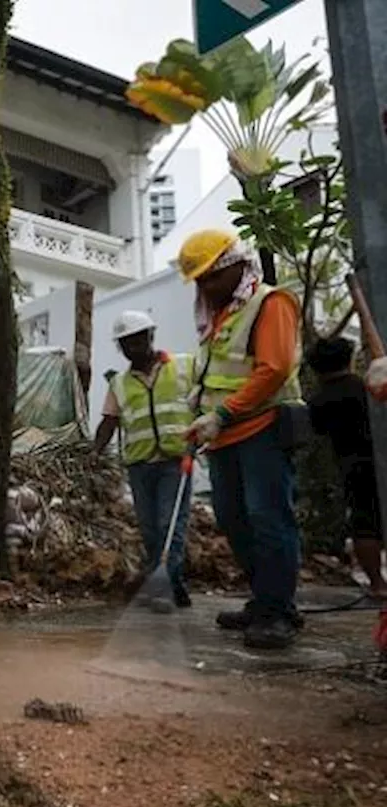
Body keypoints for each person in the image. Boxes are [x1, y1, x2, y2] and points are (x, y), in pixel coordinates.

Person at [179, 229, 304, 649]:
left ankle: (279, 612)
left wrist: (224, 413)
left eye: (209, 278)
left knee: (268, 518)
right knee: (233, 519)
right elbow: (212, 378)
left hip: (263, 429)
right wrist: (199, 418)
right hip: (223, 437)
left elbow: (274, 369)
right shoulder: (219, 319)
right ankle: (264, 599)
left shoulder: (270, 303)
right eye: (198, 281)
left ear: (233, 267)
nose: (204, 288)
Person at [93, 310, 194, 613]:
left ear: (150, 336)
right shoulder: (119, 384)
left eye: (136, 340)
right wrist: (94, 453)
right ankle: (172, 584)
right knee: (150, 529)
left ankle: (162, 589)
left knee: (169, 524)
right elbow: (109, 422)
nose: (131, 347)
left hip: (175, 460)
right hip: (140, 465)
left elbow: (204, 400)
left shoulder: (183, 367)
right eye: (125, 343)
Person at [307, 336, 387, 600]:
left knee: (365, 525)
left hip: (352, 466)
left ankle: (377, 585)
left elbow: (316, 432)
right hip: (380, 458)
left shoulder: (319, 400)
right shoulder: (366, 386)